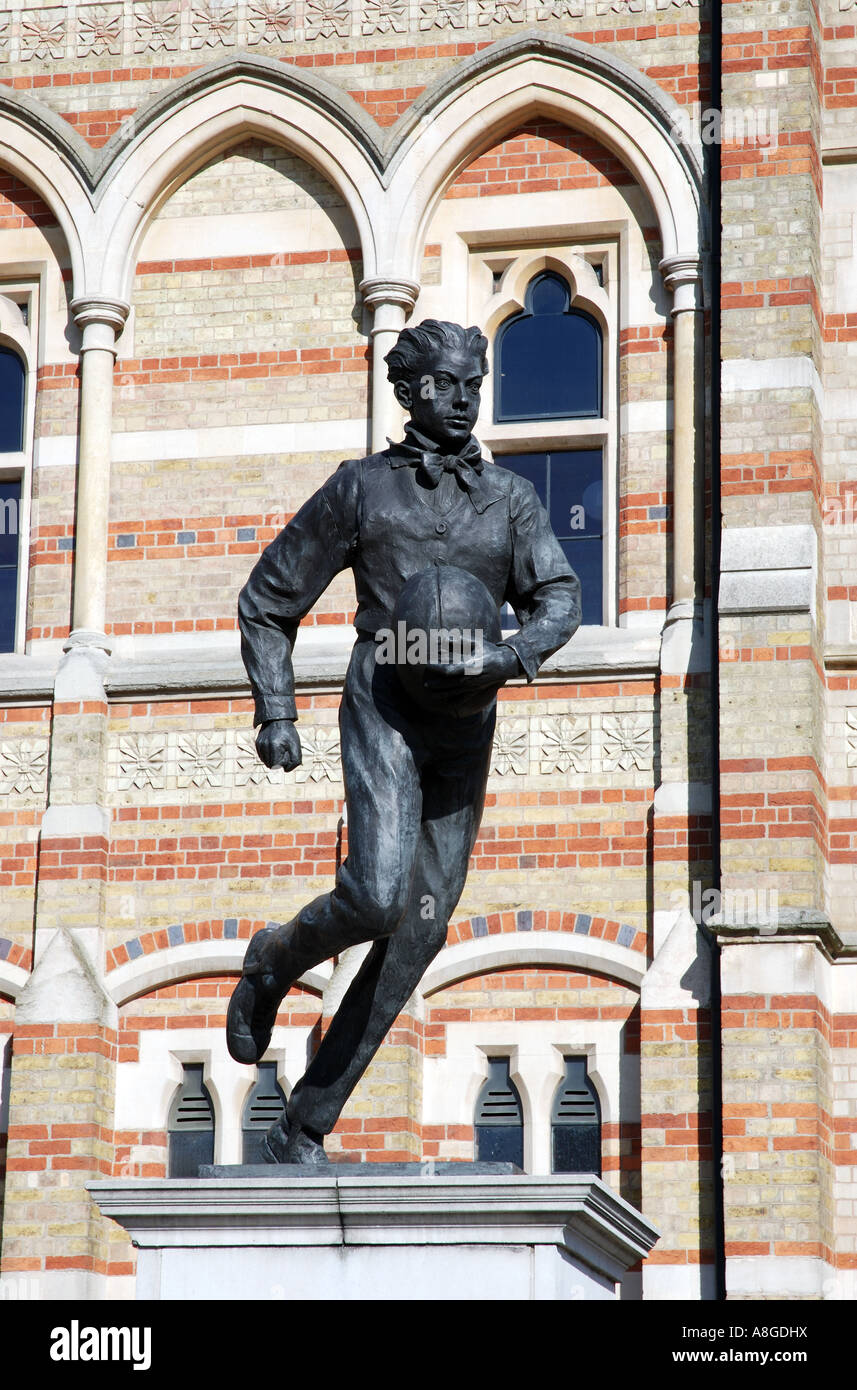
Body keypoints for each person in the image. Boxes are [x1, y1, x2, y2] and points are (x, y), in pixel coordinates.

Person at [226, 320, 581, 1163]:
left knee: (419, 928)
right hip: (384, 700)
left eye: (471, 385)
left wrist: (512, 651)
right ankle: (274, 956)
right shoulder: (360, 490)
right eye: (443, 385)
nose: (460, 401)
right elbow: (267, 599)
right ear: (408, 390)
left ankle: (302, 1123)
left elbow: (559, 596)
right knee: (378, 896)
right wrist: (276, 711)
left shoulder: (511, 500)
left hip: (464, 721)